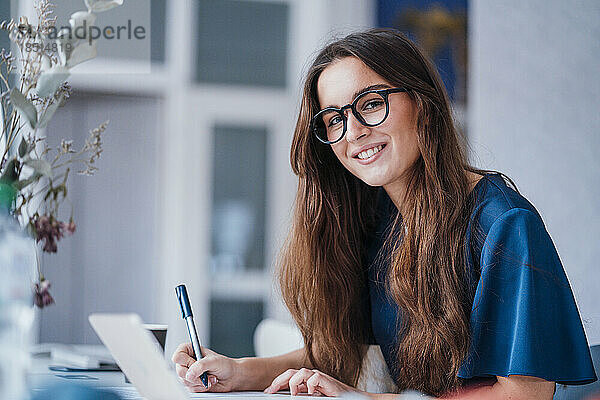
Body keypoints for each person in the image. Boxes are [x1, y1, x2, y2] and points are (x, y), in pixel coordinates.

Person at [172, 29, 597, 399]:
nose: (353, 132)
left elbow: (524, 395)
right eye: (333, 119)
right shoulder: (378, 219)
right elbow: (343, 347)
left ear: (422, 102)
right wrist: (237, 371)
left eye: (370, 104)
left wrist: (362, 399)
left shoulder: (504, 224)